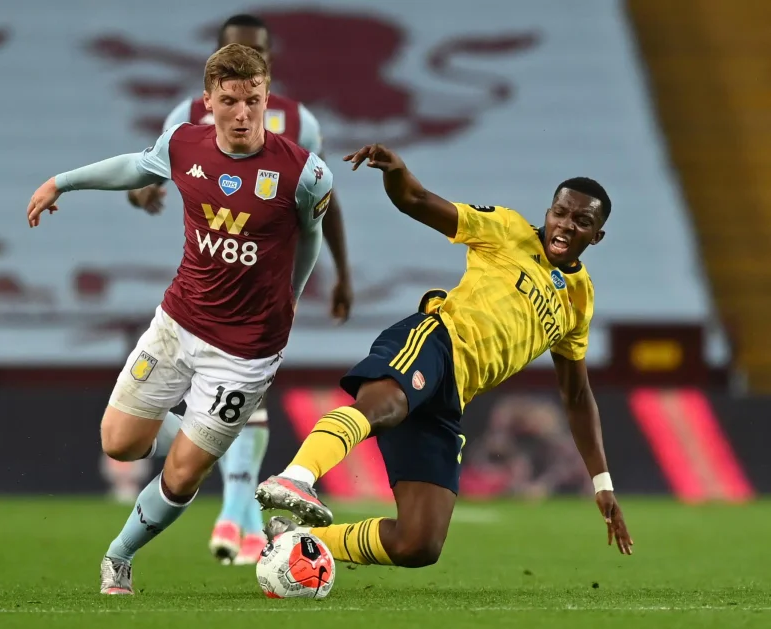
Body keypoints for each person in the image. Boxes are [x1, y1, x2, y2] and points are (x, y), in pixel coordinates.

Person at [25, 43, 334, 594]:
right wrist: (60, 182)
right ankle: (200, 430)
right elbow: (133, 167)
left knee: (185, 472)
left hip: (247, 351)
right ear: (208, 101)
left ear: (268, 99)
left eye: (253, 101)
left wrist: (293, 294)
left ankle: (119, 556)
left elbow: (311, 238)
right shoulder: (182, 144)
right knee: (119, 443)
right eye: (230, 101)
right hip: (178, 323)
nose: (243, 113)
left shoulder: (305, 173)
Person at [255, 143, 635, 568]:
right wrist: (396, 172)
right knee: (386, 405)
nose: (565, 225)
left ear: (596, 236)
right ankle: (296, 477)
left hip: (454, 397)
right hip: (436, 341)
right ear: (548, 212)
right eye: (560, 213)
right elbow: (416, 201)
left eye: (581, 221)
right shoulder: (507, 229)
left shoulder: (579, 299)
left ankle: (294, 539)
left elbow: (577, 396)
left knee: (418, 544)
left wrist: (602, 483)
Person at [109, 13, 353, 566]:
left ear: (269, 62)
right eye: (236, 49)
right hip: (204, 280)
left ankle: (237, 517)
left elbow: (319, 201)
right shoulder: (186, 117)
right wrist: (142, 194)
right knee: (174, 429)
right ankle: (234, 505)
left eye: (257, 50)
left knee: (245, 397)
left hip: (262, 294)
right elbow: (148, 172)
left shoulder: (299, 121)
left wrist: (340, 274)